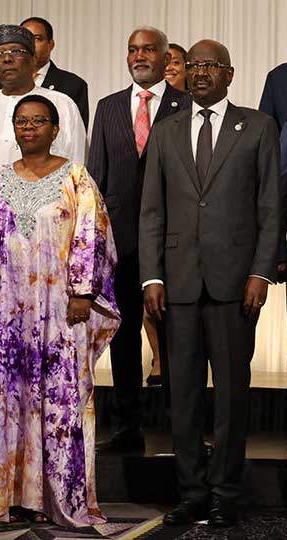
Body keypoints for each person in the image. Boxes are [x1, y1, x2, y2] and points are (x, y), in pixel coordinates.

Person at [0, 95, 118, 527]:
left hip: (59, 313)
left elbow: (92, 237)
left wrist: (83, 292)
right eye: (22, 121)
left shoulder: (76, 179)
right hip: (3, 318)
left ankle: (56, 499)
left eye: (39, 121)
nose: (29, 128)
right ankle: (11, 497)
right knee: (8, 402)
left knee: (59, 403)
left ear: (55, 129)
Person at [140, 39, 279, 528]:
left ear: (229, 74)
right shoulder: (166, 130)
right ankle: (192, 490)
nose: (200, 73)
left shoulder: (257, 126)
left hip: (236, 284)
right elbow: (151, 210)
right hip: (176, 283)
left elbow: (269, 207)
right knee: (182, 396)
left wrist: (261, 271)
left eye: (210, 65)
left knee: (231, 396)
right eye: (194, 65)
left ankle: (225, 491)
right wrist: (152, 275)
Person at [88, 26, 189, 453]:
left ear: (166, 58)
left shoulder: (187, 105)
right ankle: (127, 425)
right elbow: (96, 178)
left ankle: (182, 429)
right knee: (124, 337)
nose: (139, 56)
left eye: (148, 49)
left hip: (175, 240)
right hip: (122, 243)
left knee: (180, 338)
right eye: (133, 49)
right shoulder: (108, 106)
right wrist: (95, 243)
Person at [0, 24, 85, 243]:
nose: (7, 58)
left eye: (16, 51)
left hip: (47, 233)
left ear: (33, 59)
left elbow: (77, 172)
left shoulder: (62, 105)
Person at [0, 17, 89, 127]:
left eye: (36, 39)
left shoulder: (72, 84)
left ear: (51, 44)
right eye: (24, 39)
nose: (30, 44)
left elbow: (75, 131)